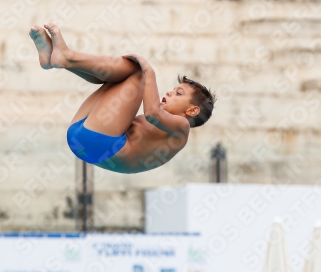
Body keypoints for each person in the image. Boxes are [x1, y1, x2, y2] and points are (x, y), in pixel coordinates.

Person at [29, 23, 216, 174]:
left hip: (100, 143)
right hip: (83, 136)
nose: (168, 93)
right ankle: (59, 59)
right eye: (173, 90)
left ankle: (66, 58)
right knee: (121, 75)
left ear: (192, 110)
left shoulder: (182, 128)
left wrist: (149, 72)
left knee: (138, 72)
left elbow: (152, 113)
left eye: (178, 94)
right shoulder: (158, 127)